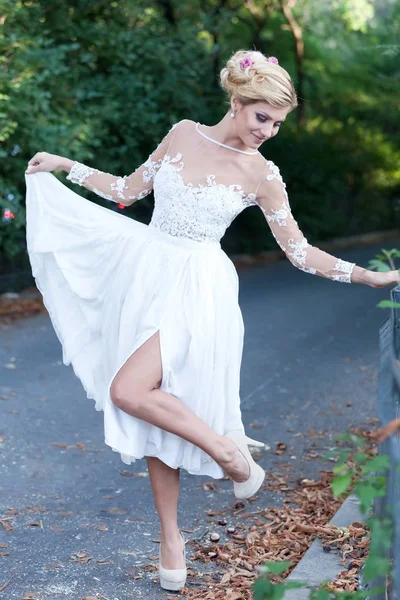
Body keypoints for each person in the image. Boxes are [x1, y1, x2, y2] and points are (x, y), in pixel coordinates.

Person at [24, 49, 398, 592]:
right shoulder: (182, 134)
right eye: (261, 116)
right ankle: (172, 536)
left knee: (130, 390)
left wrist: (369, 277)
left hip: (198, 288)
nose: (268, 131)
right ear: (238, 101)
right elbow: (129, 191)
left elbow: (299, 251)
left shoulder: (264, 175)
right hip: (146, 271)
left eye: (277, 122)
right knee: (154, 407)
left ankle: (228, 451)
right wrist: (65, 165)